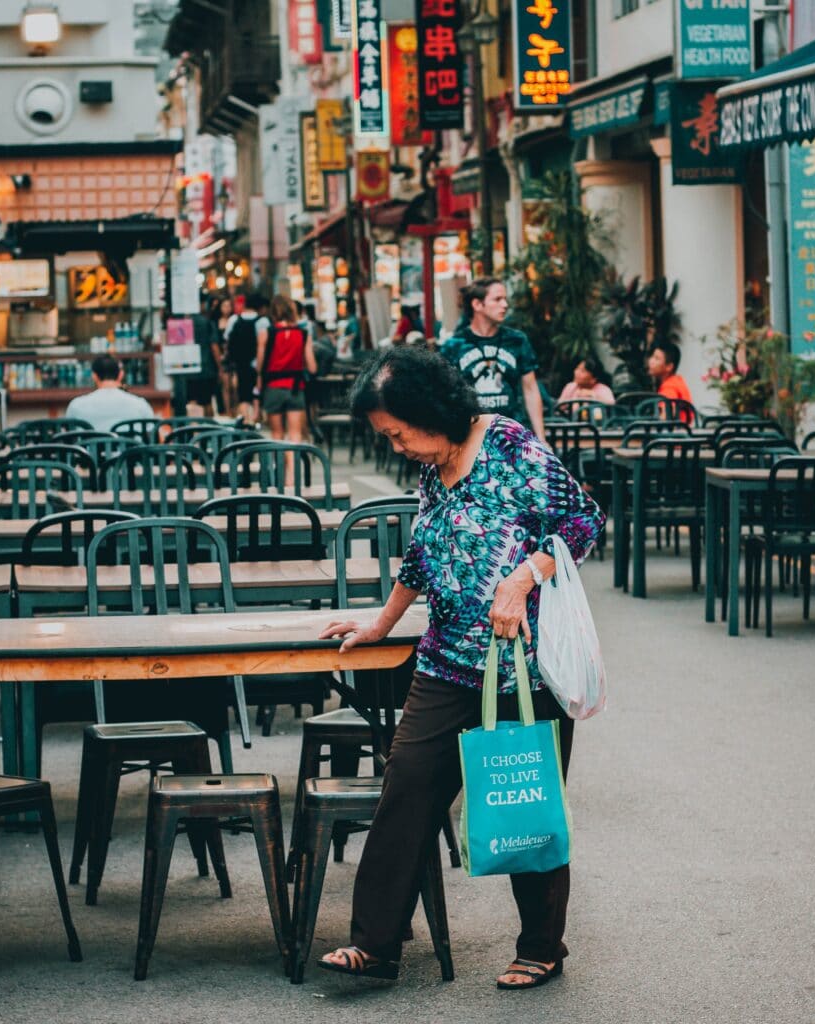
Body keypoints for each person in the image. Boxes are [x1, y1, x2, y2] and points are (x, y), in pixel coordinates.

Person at [317, 346, 604, 990]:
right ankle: (376, 945)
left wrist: (526, 577)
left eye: (399, 432)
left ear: (433, 411)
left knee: (525, 800)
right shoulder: (434, 466)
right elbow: (422, 557)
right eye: (386, 437)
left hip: (523, 672)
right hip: (446, 661)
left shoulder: (510, 446)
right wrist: (380, 623)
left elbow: (585, 520)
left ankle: (541, 947)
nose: (397, 447)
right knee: (407, 790)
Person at [440, 278, 546, 442]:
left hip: (512, 434)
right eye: (497, 299)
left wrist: (541, 438)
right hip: (470, 436)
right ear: (477, 305)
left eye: (505, 299)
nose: (505, 305)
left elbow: (530, 389)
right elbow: (444, 395)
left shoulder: (517, 340)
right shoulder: (454, 346)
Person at [255, 294, 317, 443]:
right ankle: (293, 467)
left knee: (277, 435)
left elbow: (259, 366)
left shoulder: (266, 334)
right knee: (295, 434)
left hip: (273, 388)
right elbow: (313, 368)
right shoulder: (303, 334)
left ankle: (282, 466)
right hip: (296, 388)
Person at [65, 353, 156, 433]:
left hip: (90, 453)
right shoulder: (140, 404)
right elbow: (152, 437)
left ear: (94, 376)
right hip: (129, 452)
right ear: (121, 375)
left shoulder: (76, 405)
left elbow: (68, 437)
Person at [224, 293, 269, 423]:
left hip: (239, 365)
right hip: (258, 364)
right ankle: (256, 420)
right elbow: (264, 344)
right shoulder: (263, 321)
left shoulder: (234, 319)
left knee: (243, 397)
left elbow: (227, 342)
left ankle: (246, 423)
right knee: (257, 394)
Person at [185, 312, 223, 416]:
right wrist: (220, 367)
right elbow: (214, 346)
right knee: (207, 402)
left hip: (188, 368)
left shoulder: (183, 321)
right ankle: (208, 428)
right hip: (207, 368)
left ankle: (194, 428)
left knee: (192, 401)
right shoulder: (207, 322)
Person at [647, 341, 692, 408]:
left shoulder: (669, 388)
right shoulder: (677, 381)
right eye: (652, 356)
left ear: (669, 367)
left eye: (657, 358)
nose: (651, 361)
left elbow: (667, 416)